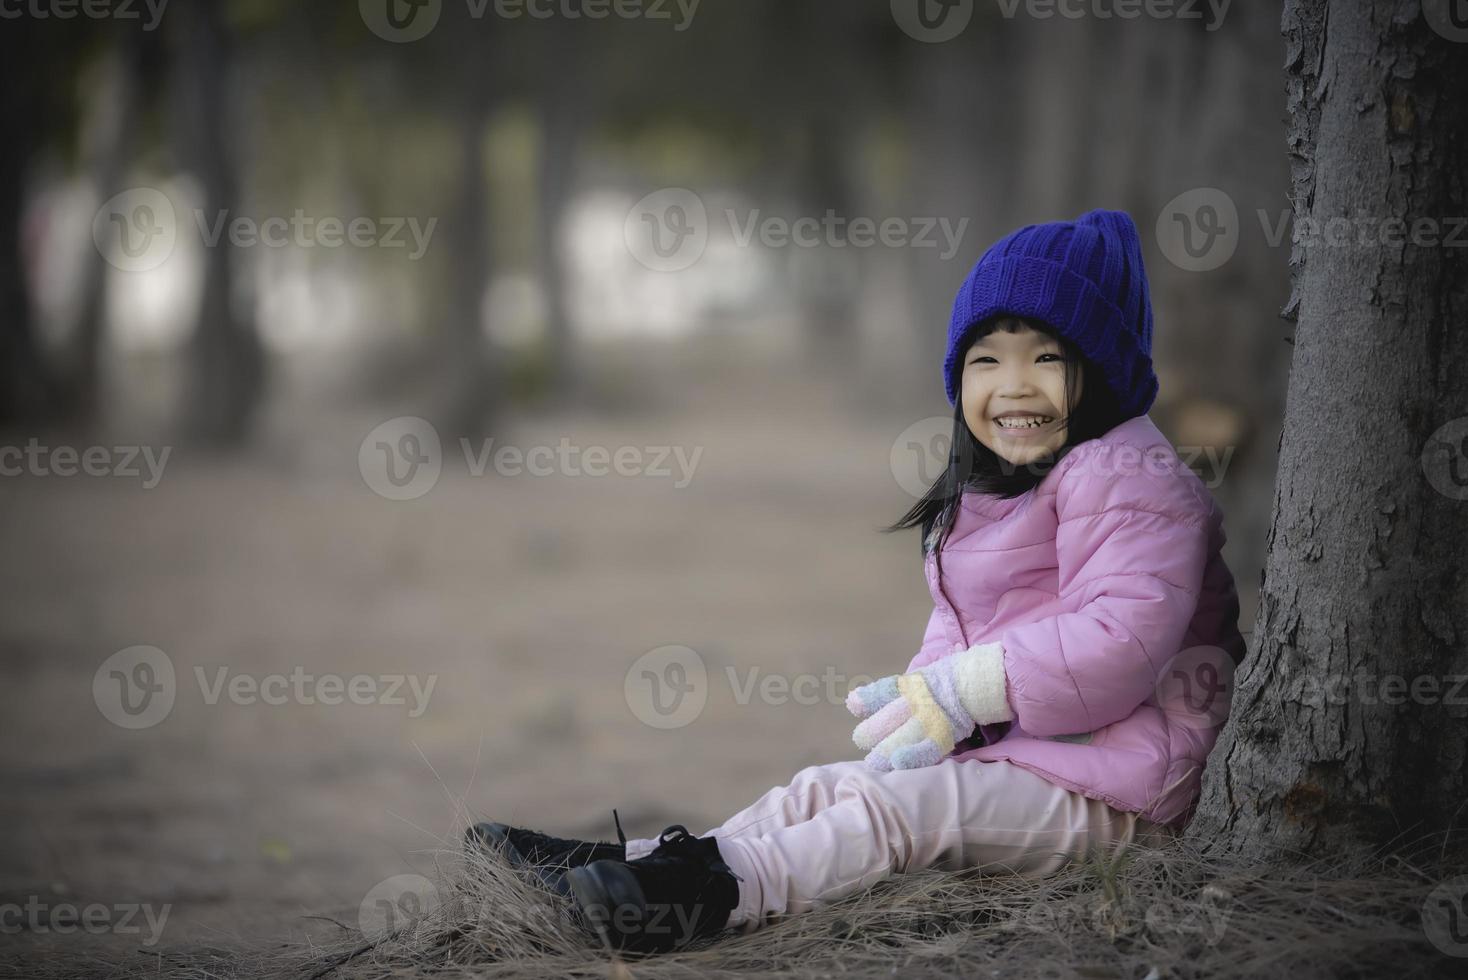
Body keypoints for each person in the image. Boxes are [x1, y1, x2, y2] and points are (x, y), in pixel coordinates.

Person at [467, 208, 1246, 956]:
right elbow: (966, 626)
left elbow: (1121, 643)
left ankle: (718, 896)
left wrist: (967, 693)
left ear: (1101, 374)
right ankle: (633, 866)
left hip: (1127, 795)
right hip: (1042, 761)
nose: (1013, 385)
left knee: (897, 813)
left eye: (1046, 358)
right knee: (822, 789)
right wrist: (930, 705)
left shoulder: (1134, 478)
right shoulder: (1004, 487)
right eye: (987, 360)